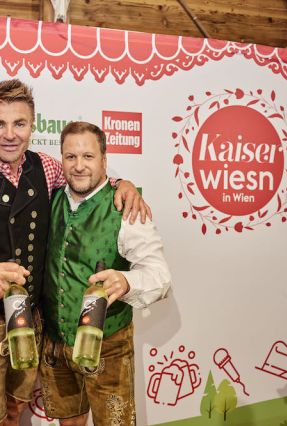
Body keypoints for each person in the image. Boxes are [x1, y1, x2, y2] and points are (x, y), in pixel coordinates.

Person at [0, 79, 149, 426]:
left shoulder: (47, 167)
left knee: (13, 410)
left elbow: (85, 178)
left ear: (33, 126)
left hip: (32, 320)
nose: (9, 134)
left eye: (19, 123)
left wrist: (121, 184)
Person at [39, 121, 172, 425]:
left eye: (88, 157)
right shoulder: (53, 197)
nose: (79, 166)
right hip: (56, 343)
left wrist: (127, 281)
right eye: (71, 157)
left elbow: (160, 275)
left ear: (104, 161)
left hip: (108, 346)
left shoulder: (125, 207)